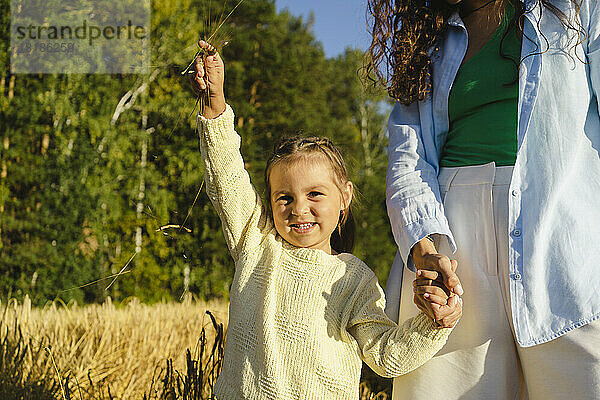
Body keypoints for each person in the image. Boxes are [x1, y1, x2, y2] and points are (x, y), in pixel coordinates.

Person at [189, 40, 462, 399]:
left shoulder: (352, 279)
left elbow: (385, 355)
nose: (299, 209)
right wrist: (214, 103)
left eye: (314, 194)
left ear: (344, 197)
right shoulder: (255, 244)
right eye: (284, 197)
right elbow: (225, 174)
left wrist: (433, 323)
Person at [366, 0, 600, 398]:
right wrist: (424, 246)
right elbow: (408, 154)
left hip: (567, 240)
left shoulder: (578, 7)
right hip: (449, 245)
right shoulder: (428, 38)